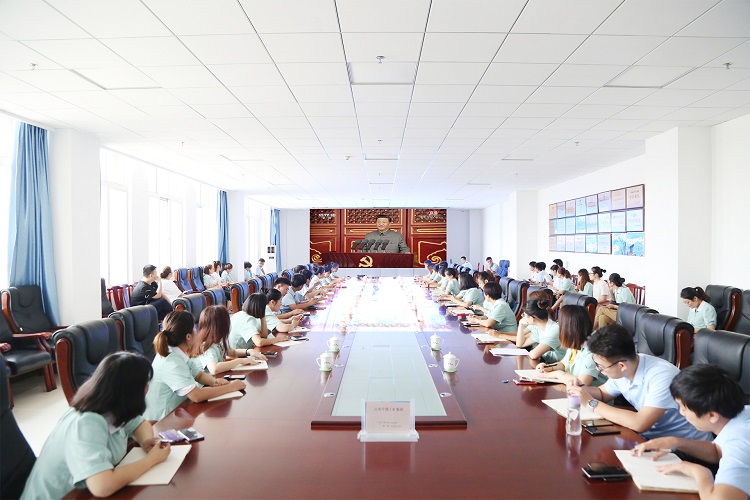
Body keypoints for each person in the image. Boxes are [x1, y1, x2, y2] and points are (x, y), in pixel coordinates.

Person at [20, 352, 171, 499]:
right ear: (130, 392)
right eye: (144, 384)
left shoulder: (112, 405)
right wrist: (150, 460)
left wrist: (145, 441)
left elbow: (139, 424)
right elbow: (102, 486)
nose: (147, 390)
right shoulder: (86, 423)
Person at [567, 324, 712, 441]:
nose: (599, 371)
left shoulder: (662, 376)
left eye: (601, 366)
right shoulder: (626, 367)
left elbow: (640, 423)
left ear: (621, 366)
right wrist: (581, 389)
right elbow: (602, 393)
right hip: (652, 440)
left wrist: (592, 404)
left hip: (686, 447)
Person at [632, 364, 750, 499]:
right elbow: (719, 452)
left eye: (684, 408)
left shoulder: (740, 441)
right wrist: (676, 442)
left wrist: (698, 472)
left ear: (712, 415)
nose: (681, 413)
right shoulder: (743, 413)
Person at [144, 311, 245, 421]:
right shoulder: (172, 362)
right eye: (194, 329)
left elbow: (198, 375)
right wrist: (231, 387)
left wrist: (214, 382)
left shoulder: (178, 353)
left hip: (179, 412)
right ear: (188, 336)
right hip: (162, 421)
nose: (197, 332)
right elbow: (197, 396)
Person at [536, 305, 607, 387]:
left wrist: (557, 374)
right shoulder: (576, 341)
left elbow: (581, 383)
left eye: (560, 323)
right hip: (572, 392)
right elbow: (563, 364)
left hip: (590, 397)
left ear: (568, 328)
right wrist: (548, 367)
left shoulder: (593, 349)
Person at [191, 306, 266, 375]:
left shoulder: (217, 341)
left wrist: (249, 351)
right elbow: (214, 369)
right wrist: (240, 361)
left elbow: (233, 352)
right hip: (204, 386)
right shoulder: (207, 347)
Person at [515, 298, 566, 363]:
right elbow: (520, 344)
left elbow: (533, 355)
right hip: (547, 364)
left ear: (531, 318)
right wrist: (521, 324)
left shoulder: (554, 330)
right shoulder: (539, 327)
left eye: (524, 315)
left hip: (559, 368)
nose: (523, 318)